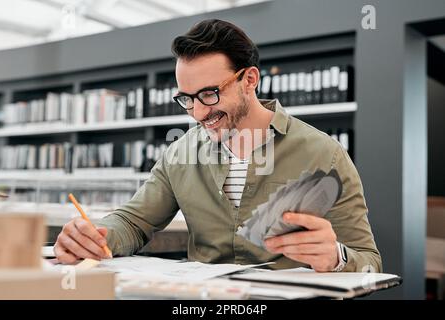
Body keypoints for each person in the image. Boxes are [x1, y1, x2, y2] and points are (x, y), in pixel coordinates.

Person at [54, 19, 382, 272]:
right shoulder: (180, 153)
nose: (198, 112)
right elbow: (132, 222)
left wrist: (337, 257)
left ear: (249, 80)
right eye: (186, 98)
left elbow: (370, 262)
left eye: (210, 94)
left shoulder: (325, 154)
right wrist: (96, 235)